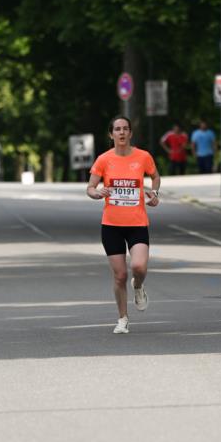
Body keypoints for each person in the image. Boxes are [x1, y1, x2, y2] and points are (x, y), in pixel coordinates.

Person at [87, 116, 160, 334]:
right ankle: (122, 318)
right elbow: (90, 187)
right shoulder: (103, 159)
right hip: (111, 226)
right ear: (111, 134)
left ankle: (138, 287)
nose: (121, 133)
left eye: (125, 129)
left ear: (130, 133)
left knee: (138, 267)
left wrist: (154, 194)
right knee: (120, 275)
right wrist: (97, 193)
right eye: (117, 129)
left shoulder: (143, 157)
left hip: (137, 223)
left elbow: (155, 177)